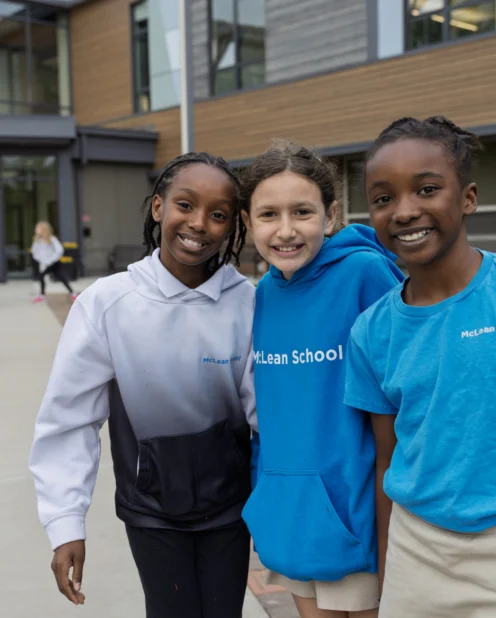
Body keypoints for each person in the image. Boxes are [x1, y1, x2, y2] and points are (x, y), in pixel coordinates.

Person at [29, 152, 257, 618]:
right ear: (158, 207)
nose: (198, 224)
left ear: (234, 225)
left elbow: (264, 413)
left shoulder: (249, 302)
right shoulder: (108, 303)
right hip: (151, 510)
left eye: (218, 215)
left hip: (232, 509)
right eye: (185, 205)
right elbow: (70, 418)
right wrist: (65, 522)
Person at [240, 140, 403, 618]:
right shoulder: (264, 294)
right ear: (249, 223)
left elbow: (402, 393)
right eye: (269, 215)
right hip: (292, 514)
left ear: (331, 217)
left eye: (302, 212)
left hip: (356, 517)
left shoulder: (365, 274)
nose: (286, 230)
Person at [344, 116, 496, 618]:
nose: (405, 211)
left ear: (468, 198)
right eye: (384, 199)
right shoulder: (371, 331)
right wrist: (391, 581)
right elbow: (386, 460)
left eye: (427, 189)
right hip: (417, 551)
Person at [31, 221, 77, 303]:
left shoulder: (52, 239)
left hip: (55, 263)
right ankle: (42, 295)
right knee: (41, 277)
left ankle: (73, 293)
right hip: (45, 263)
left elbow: (59, 250)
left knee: (61, 278)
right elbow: (35, 252)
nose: (36, 230)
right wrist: (42, 260)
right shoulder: (37, 240)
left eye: (38, 228)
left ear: (43, 229)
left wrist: (51, 259)